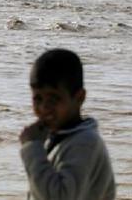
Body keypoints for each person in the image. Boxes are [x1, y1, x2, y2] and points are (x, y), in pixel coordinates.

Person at [20, 49, 116, 200]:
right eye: (37, 99)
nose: (44, 107)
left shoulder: (84, 142)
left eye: (53, 99)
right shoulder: (61, 138)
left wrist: (32, 148)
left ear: (79, 98)